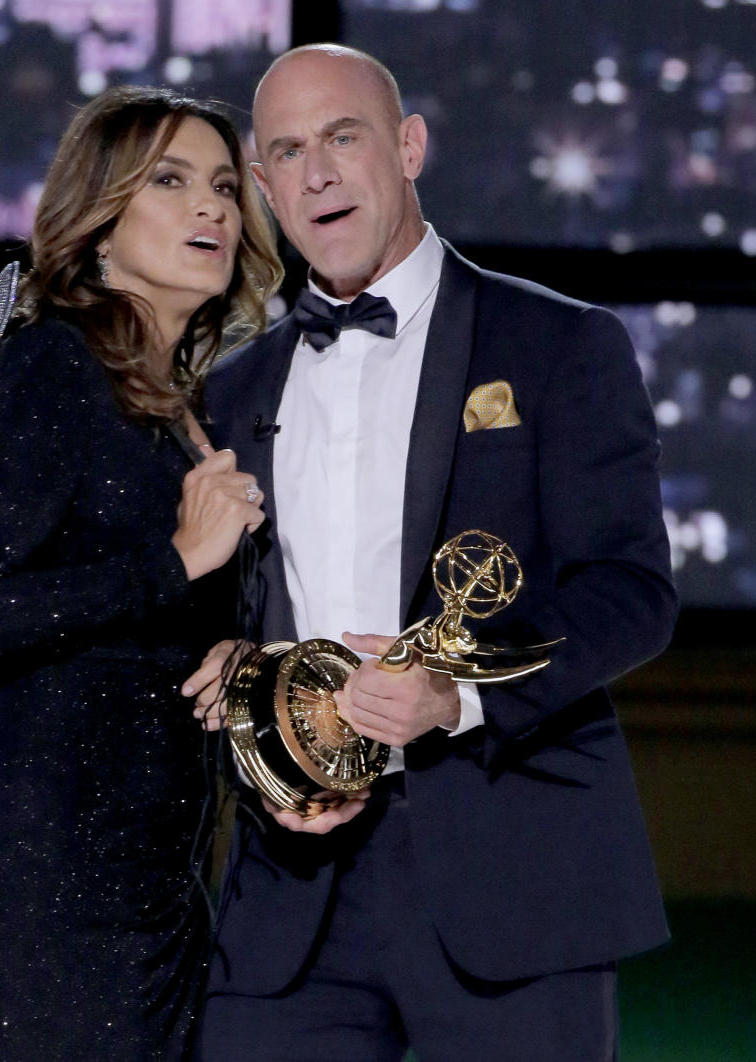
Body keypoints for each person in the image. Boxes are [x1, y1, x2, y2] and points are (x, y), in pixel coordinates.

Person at [184, 45, 677, 1062]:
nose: (317, 171)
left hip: (516, 867)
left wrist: (454, 688)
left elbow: (631, 592)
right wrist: (239, 682)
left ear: (408, 147)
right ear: (266, 188)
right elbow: (224, 616)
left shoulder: (557, 345)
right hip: (293, 888)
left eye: (343, 136)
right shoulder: (232, 393)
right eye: (288, 152)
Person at [0, 86, 282, 1062]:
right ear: (99, 224)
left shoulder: (180, 405)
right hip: (42, 883)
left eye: (220, 184)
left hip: (156, 879)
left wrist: (236, 655)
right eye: (169, 181)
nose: (211, 206)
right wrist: (175, 561)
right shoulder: (54, 367)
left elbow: (156, 629)